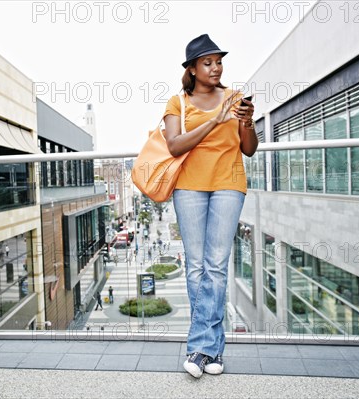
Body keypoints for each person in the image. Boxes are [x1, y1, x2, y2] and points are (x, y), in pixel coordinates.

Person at [163, 34, 257, 378]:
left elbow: (249, 149)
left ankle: (199, 350)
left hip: (229, 184)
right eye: (208, 62)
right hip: (189, 187)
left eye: (219, 61)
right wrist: (214, 120)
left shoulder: (234, 98)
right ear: (192, 68)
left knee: (216, 267)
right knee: (196, 268)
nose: (215, 67)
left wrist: (246, 120)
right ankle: (214, 352)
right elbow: (174, 146)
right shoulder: (178, 103)